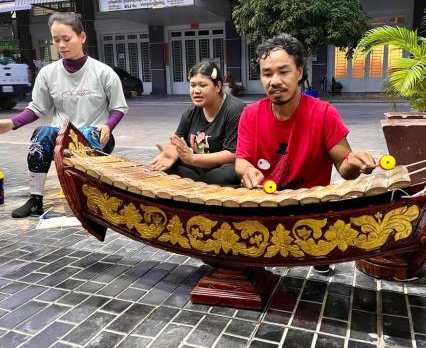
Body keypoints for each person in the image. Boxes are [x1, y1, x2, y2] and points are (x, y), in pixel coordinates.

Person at [234, 33, 376, 273]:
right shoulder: (250, 114)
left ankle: (318, 252)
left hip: (310, 206)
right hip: (265, 203)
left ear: (299, 72)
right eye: (267, 74)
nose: (275, 81)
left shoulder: (323, 114)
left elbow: (345, 169)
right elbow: (241, 160)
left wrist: (354, 162)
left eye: (283, 71)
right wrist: (247, 170)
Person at [0, 12, 128, 218]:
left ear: (82, 37)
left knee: (88, 132)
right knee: (41, 134)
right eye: (56, 40)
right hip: (61, 137)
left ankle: (92, 199)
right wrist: (12, 123)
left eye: (66, 39)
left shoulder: (103, 72)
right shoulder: (48, 73)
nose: (61, 45)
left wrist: (108, 126)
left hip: (96, 136)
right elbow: (38, 109)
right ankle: (36, 199)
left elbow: (119, 107)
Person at [150, 61, 246, 185]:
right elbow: (177, 142)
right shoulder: (191, 111)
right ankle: (198, 184)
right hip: (198, 165)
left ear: (217, 86)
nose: (196, 91)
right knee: (168, 167)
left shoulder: (234, 110)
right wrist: (172, 152)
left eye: (202, 85)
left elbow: (233, 153)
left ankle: (198, 185)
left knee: (224, 175)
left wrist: (193, 158)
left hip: (223, 167)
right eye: (193, 85)